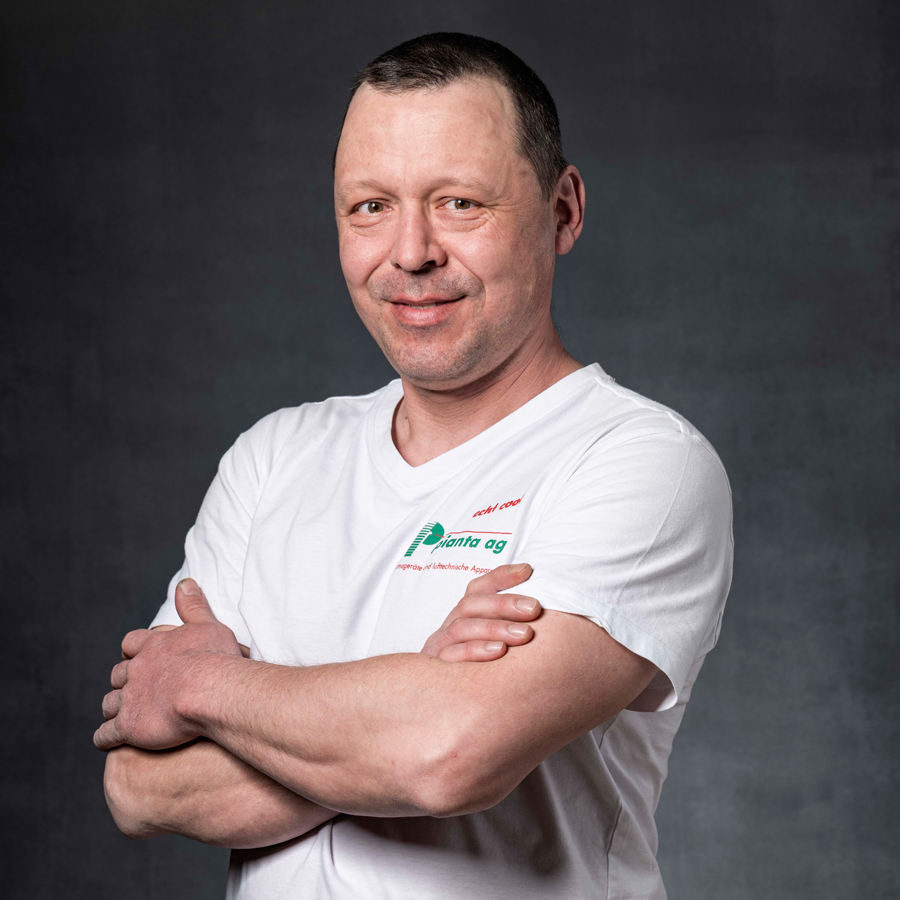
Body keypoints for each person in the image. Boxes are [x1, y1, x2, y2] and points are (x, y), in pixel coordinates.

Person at [96, 32, 733, 899]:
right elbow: (140, 785)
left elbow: (448, 755)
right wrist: (409, 696)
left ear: (563, 210)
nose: (410, 252)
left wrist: (203, 684)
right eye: (370, 207)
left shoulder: (639, 462)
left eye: (460, 202)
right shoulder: (274, 458)